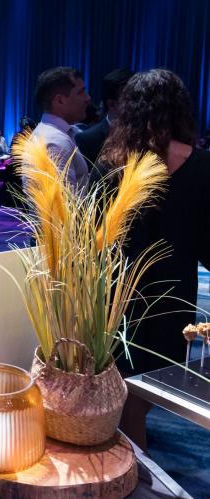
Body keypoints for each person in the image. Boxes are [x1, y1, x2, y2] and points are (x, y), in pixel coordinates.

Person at [93, 69, 210, 450]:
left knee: (125, 385)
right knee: (150, 384)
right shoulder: (203, 167)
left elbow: (93, 239)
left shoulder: (111, 164)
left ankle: (129, 461)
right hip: (175, 296)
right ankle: (133, 460)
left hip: (120, 296)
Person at [31, 66, 91, 193]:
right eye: (81, 92)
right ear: (60, 100)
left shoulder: (69, 133)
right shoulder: (54, 143)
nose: (87, 98)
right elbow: (63, 209)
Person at [75, 68, 134, 166]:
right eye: (132, 99)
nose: (140, 104)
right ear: (112, 104)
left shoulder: (146, 135)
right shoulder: (87, 140)